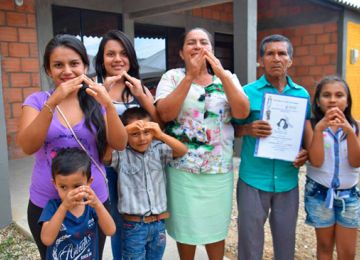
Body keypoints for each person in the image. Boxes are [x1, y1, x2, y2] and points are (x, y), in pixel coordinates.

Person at [17, 34, 127, 259]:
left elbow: (120, 143)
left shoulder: (97, 101)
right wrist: (53, 101)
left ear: (85, 66)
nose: (67, 70)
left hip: (92, 200)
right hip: (46, 202)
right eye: (58, 65)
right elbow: (28, 146)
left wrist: (108, 103)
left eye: (74, 63)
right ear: (48, 70)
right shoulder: (37, 102)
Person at [155, 27, 249, 259]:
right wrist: (190, 76)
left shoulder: (227, 78)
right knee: (185, 231)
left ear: (212, 50)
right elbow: (165, 113)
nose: (198, 46)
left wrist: (221, 73)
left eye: (204, 42)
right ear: (181, 52)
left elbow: (242, 112)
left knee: (216, 229)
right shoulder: (172, 77)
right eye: (191, 42)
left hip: (218, 171)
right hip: (182, 171)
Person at [233, 34, 312, 260]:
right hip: (253, 180)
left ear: (290, 60)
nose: (276, 58)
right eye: (270, 53)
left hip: (287, 180)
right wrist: (247, 129)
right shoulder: (247, 93)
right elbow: (231, 130)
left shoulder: (301, 94)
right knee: (249, 245)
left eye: (282, 53)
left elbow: (304, 137)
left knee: (286, 244)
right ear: (261, 60)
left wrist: (305, 152)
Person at [94, 29, 160, 259]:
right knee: (118, 226)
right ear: (101, 59)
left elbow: (157, 122)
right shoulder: (93, 89)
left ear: (131, 57)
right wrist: (102, 95)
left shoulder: (138, 89)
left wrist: (141, 95)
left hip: (138, 170)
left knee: (137, 228)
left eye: (123, 53)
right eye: (110, 54)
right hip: (109, 169)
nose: (117, 59)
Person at [110, 107, 187, 259]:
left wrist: (160, 135)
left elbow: (182, 150)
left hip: (158, 225)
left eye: (147, 132)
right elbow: (104, 156)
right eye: (135, 134)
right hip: (134, 227)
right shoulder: (120, 154)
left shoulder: (158, 150)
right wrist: (122, 132)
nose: (142, 138)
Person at [306, 76, 360, 260]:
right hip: (319, 194)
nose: (332, 100)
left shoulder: (356, 127)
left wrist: (349, 132)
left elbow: (356, 161)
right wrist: (320, 130)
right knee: (324, 247)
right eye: (326, 95)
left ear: (347, 101)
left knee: (347, 253)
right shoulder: (312, 126)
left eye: (339, 95)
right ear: (318, 101)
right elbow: (316, 161)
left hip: (349, 196)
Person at [39, 148, 116, 260]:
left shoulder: (91, 205)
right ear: (55, 184)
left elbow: (110, 230)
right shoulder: (53, 207)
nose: (70, 193)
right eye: (63, 187)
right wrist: (64, 207)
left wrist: (98, 204)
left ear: (89, 182)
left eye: (77, 186)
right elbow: (46, 239)